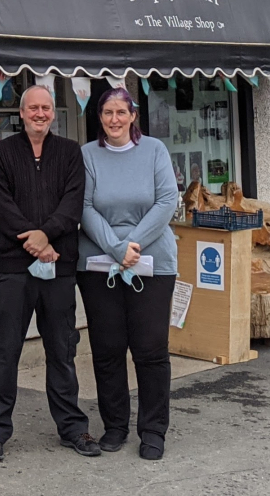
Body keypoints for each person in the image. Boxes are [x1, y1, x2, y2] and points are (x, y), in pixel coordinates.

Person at [0, 85, 100, 462]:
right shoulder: (0, 153)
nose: (41, 114)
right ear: (22, 112)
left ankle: (73, 428)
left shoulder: (69, 153)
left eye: (46, 107)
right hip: (15, 267)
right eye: (34, 108)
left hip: (59, 265)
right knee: (5, 351)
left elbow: (73, 202)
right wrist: (35, 240)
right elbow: (2, 205)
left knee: (62, 349)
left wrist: (47, 235)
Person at [77, 87, 177, 461]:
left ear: (133, 115)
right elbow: (84, 206)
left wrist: (133, 243)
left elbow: (168, 200)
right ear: (99, 117)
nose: (114, 120)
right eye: (107, 113)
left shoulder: (154, 151)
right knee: (106, 349)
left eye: (121, 112)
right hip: (99, 265)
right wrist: (117, 249)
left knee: (150, 350)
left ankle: (153, 430)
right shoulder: (88, 155)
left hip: (153, 264)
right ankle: (115, 425)